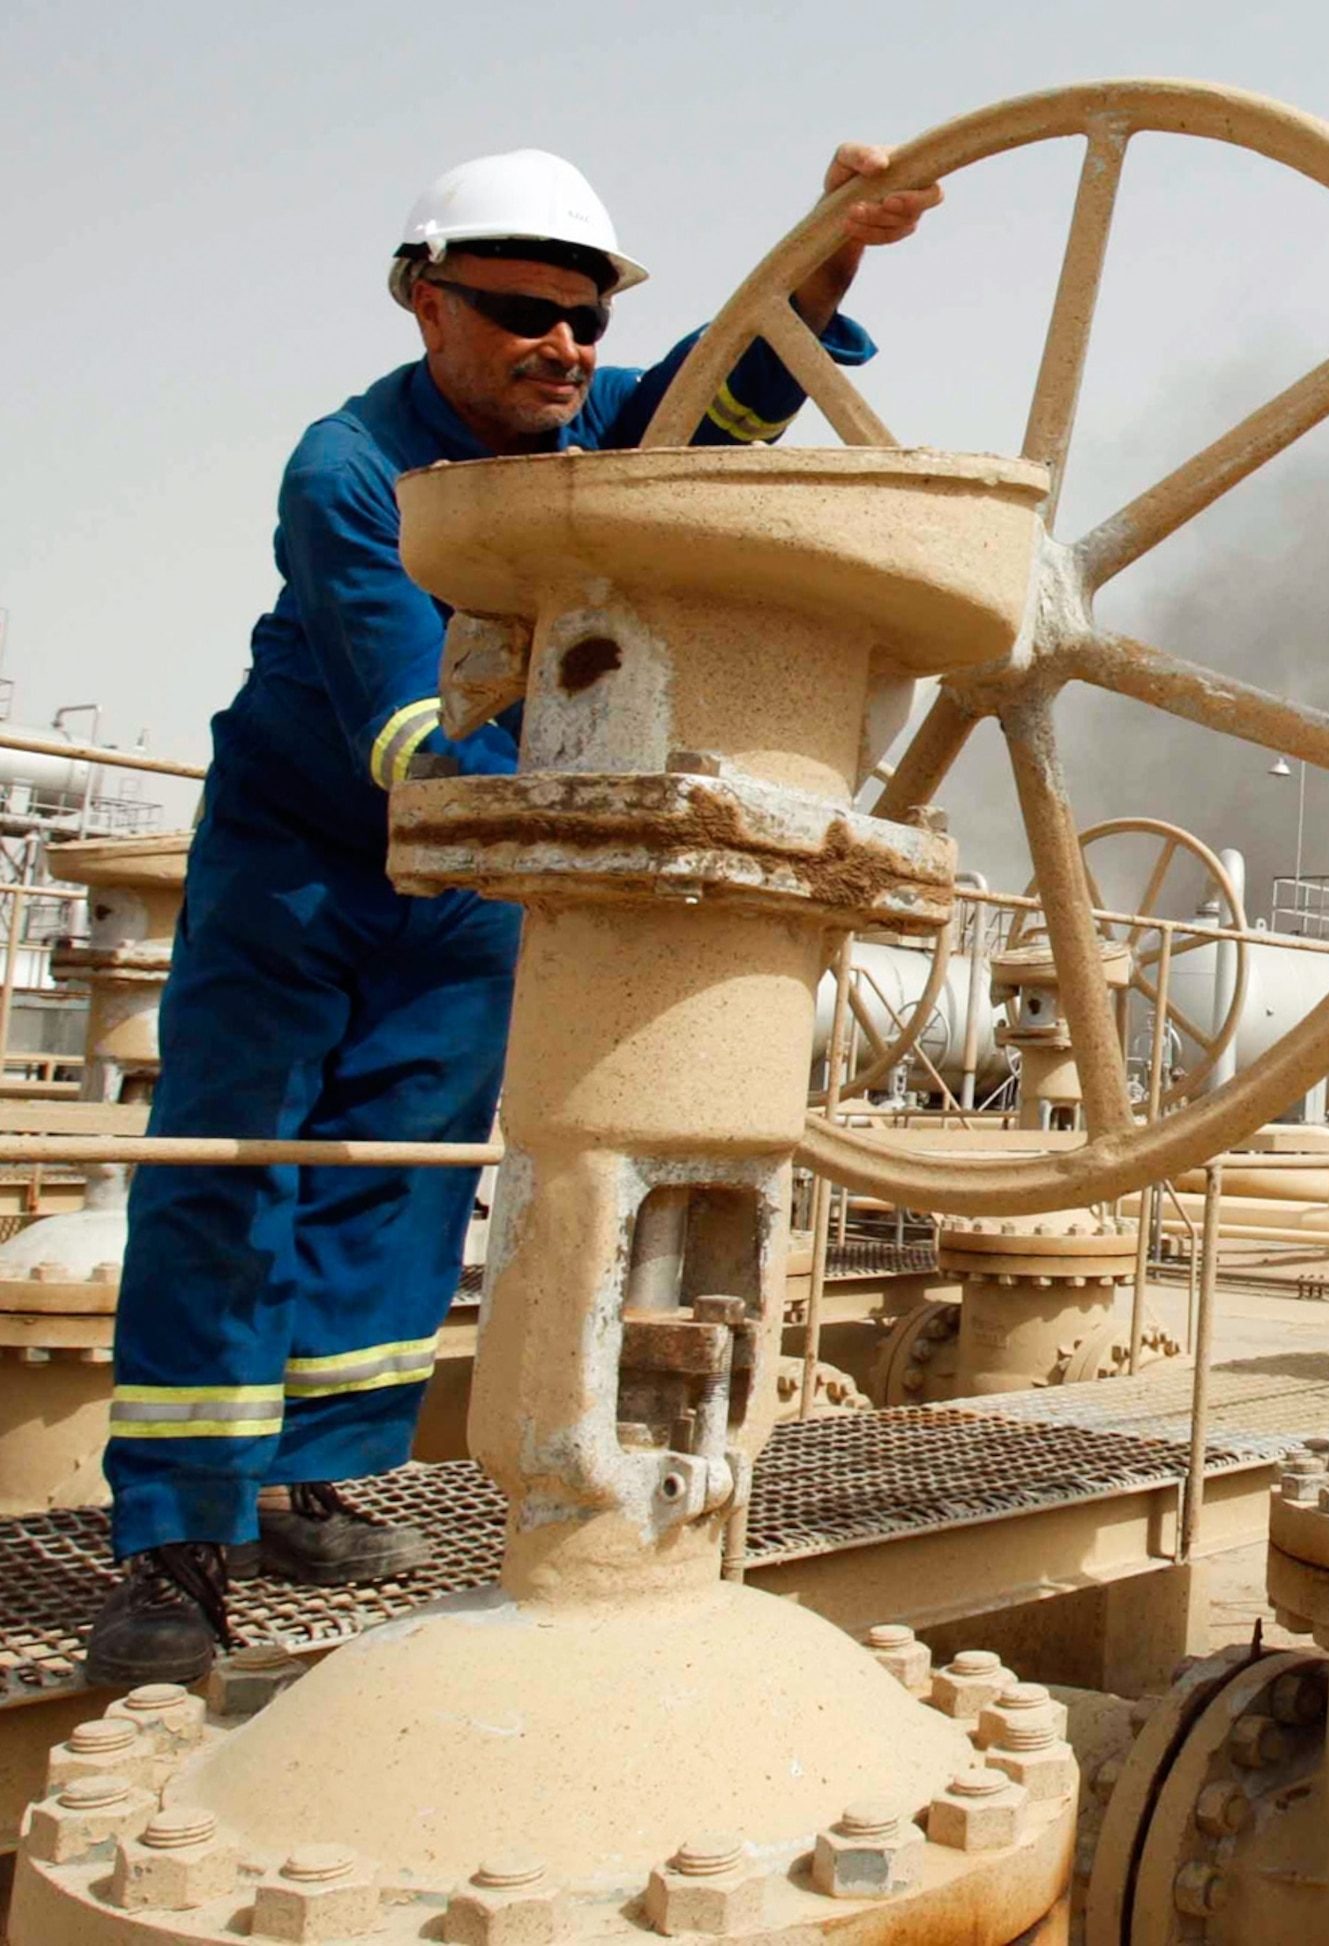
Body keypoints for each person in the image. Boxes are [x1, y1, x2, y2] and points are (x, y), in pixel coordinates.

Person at [86, 144, 943, 1685]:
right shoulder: (354, 467)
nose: (561, 347)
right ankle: (173, 1536)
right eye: (518, 312)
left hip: (480, 879)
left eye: (585, 321)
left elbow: (718, 405)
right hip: (308, 867)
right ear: (424, 301)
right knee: (238, 1168)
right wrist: (578, 816)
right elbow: (398, 697)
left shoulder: (585, 431)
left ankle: (315, 1477)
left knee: (403, 1181)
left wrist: (829, 258)